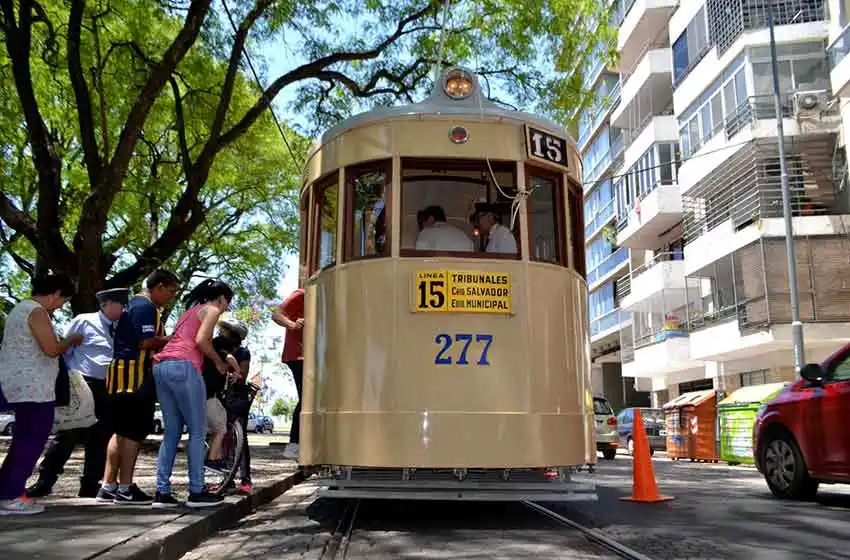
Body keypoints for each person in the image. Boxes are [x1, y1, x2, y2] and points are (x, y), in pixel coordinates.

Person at [27, 288, 130, 499]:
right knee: (68, 434)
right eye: (120, 304)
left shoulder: (124, 325)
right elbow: (66, 351)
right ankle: (45, 481)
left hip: (110, 386)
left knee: (101, 438)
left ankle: (90, 486)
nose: (124, 308)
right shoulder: (84, 320)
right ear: (107, 304)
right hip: (84, 383)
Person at [0, 274, 81, 515]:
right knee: (31, 441)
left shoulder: (20, 310)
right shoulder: (36, 311)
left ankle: (6, 490)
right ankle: (11, 495)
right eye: (62, 300)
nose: (61, 305)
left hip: (19, 384)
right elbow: (51, 349)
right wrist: (71, 341)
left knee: (23, 440)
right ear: (55, 293)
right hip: (32, 387)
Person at [98, 270, 179, 505]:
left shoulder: (133, 305)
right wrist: (173, 338)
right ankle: (125, 488)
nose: (171, 296)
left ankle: (108, 485)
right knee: (133, 432)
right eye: (171, 291)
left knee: (120, 432)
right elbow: (144, 342)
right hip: (135, 376)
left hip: (119, 376)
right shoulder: (145, 307)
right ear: (159, 286)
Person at [151, 279, 234, 509]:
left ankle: (162, 492)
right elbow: (200, 341)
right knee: (198, 431)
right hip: (185, 368)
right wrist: (218, 362)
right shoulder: (212, 309)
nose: (226, 307)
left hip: (161, 367)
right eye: (228, 302)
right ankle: (197, 490)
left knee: (172, 432)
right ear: (221, 298)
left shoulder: (188, 312)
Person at [202, 318, 243, 471]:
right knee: (220, 429)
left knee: (215, 427)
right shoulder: (221, 342)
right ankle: (212, 460)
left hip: (205, 393)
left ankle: (215, 457)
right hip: (209, 395)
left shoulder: (214, 344)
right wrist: (238, 370)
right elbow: (228, 357)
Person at [272, 288, 305, 461]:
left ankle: (303, 444)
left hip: (313, 356)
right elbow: (277, 315)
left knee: (309, 399)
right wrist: (293, 324)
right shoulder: (302, 293)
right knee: (306, 398)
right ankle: (294, 446)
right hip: (297, 355)